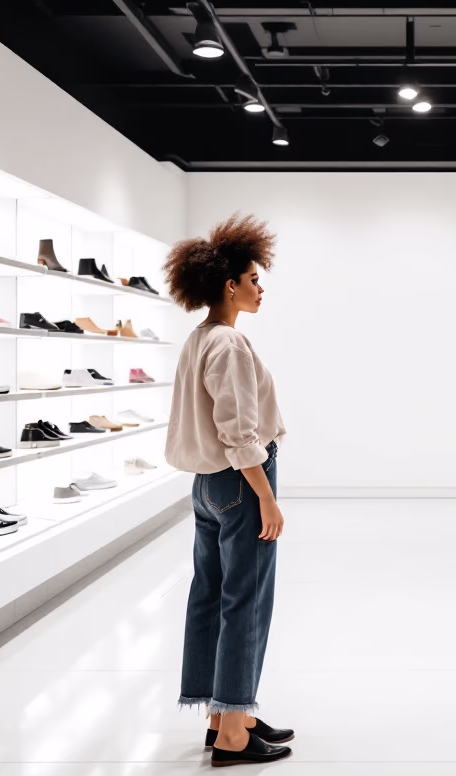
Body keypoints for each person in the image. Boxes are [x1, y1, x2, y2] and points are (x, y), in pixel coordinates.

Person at [164, 213, 293, 767]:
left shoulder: (199, 339)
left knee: (211, 595)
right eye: (253, 279)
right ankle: (235, 733)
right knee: (248, 600)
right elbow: (239, 434)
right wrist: (266, 495)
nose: (261, 288)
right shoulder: (231, 344)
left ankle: (223, 715)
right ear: (229, 285)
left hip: (206, 487)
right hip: (240, 483)